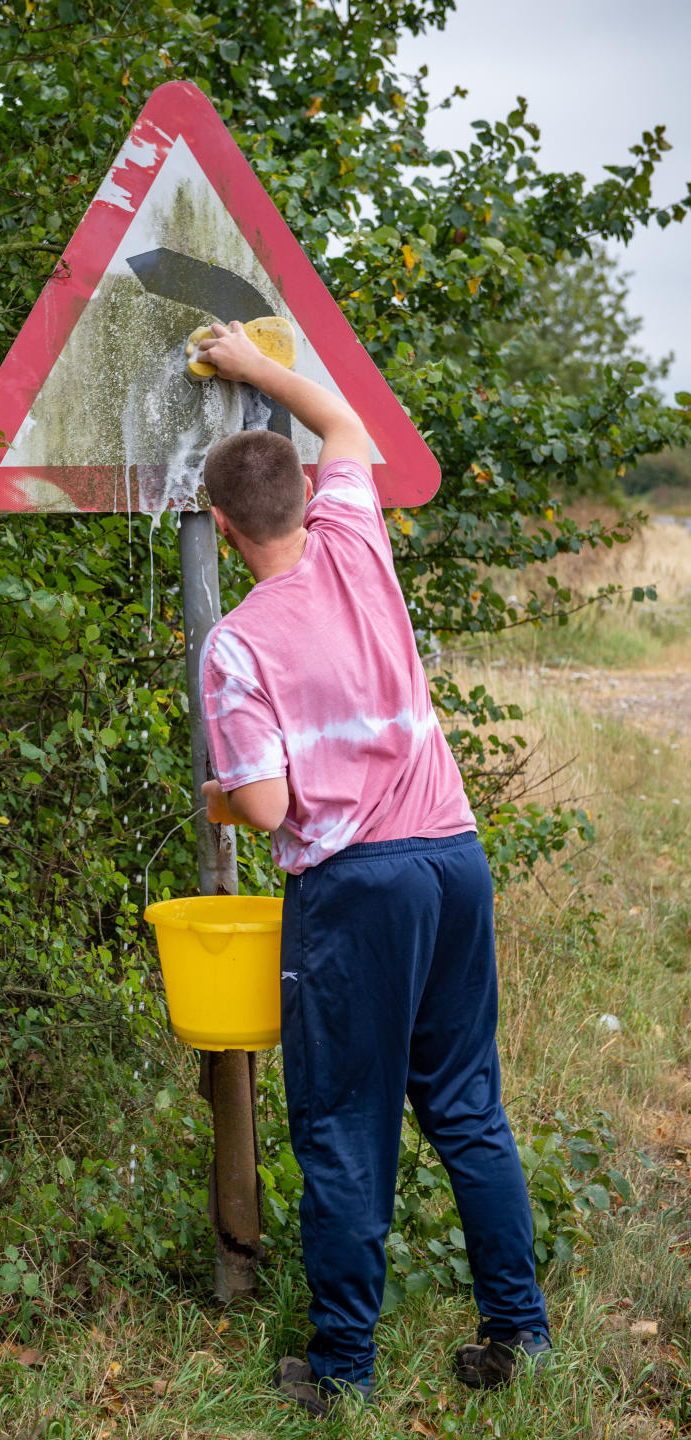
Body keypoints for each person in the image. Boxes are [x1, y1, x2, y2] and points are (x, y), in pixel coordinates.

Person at [194, 321, 551, 1417]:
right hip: (453, 855)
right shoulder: (358, 538)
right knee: (466, 1108)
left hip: (357, 888)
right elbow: (346, 419)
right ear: (306, 495)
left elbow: (264, 806)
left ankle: (342, 1371)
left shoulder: (238, 641)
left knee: (344, 1125)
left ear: (219, 525)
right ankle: (519, 1333)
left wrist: (217, 791)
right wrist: (258, 369)